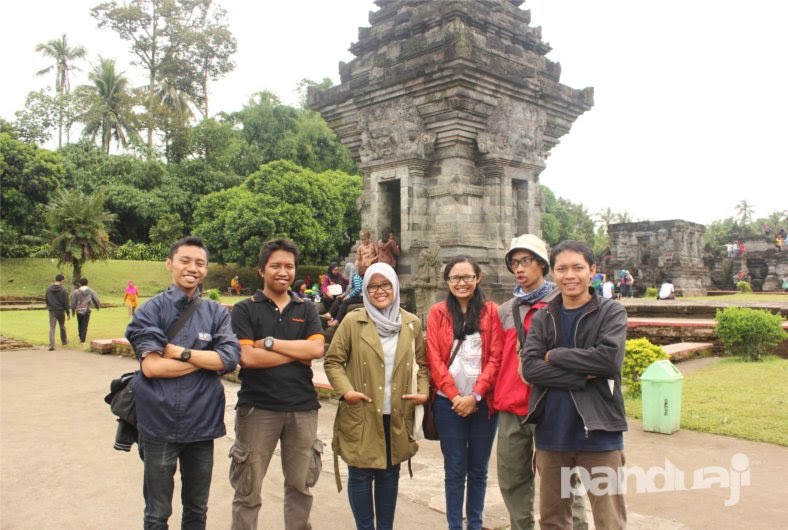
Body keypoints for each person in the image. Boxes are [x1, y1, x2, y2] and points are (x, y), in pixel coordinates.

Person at [125, 236, 241, 530]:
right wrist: (203, 361)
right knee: (157, 513)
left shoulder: (215, 313)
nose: (193, 268)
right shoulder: (151, 310)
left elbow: (228, 359)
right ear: (170, 264)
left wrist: (181, 353)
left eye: (200, 263)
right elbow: (151, 367)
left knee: (196, 510)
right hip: (158, 424)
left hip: (202, 426)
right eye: (185, 261)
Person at [522, 240, 628, 530]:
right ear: (553, 273)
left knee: (609, 520)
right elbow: (530, 368)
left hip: (600, 431)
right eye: (562, 268)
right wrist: (581, 376)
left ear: (592, 270)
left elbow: (608, 361)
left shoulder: (611, 312)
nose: (570, 275)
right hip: (552, 431)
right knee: (554, 520)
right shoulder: (544, 316)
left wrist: (555, 355)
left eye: (578, 267)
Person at [229, 238, 326, 530]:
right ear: (261, 270)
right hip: (258, 409)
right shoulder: (246, 309)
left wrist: (270, 344)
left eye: (289, 266)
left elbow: (317, 351)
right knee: (248, 489)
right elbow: (247, 358)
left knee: (300, 486)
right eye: (276, 266)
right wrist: (296, 353)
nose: (283, 271)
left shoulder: (306, 308)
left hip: (302, 408)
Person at [324, 262, 428, 530]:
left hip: (397, 411)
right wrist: (346, 391)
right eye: (372, 286)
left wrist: (424, 392)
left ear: (394, 285)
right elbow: (333, 361)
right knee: (360, 474)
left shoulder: (411, 323)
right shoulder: (353, 321)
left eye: (385, 285)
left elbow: (422, 365)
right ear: (366, 290)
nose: (379, 291)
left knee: (390, 474)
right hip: (362, 409)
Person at [494, 235, 587, 530]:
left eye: (526, 261)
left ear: (543, 265)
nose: (519, 269)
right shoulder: (506, 309)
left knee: (563, 482)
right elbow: (498, 357)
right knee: (512, 477)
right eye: (514, 263)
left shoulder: (563, 303)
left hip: (552, 403)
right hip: (512, 404)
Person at [426, 255, 502, 530]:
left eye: (467, 277)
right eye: (455, 278)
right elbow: (434, 357)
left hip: (483, 404)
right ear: (447, 281)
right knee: (455, 470)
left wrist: (476, 394)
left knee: (479, 470)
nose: (462, 283)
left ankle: (476, 524)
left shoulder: (492, 311)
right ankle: (454, 526)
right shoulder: (438, 313)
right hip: (449, 404)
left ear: (478, 278)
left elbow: (496, 356)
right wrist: (456, 396)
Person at [70, 277, 101, 344]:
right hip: (87, 310)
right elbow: (95, 299)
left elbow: (73, 302)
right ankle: (83, 339)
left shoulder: (76, 292)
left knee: (80, 324)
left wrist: (72, 311)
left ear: (79, 284)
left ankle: (81, 337)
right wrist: (97, 306)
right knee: (85, 324)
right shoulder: (90, 291)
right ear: (87, 283)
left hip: (78, 310)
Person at [45, 273, 70, 351]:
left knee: (52, 327)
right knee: (62, 326)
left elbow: (46, 299)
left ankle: (52, 345)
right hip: (60, 310)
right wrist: (68, 312)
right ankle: (64, 341)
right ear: (62, 281)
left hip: (52, 310)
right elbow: (66, 302)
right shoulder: (63, 290)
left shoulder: (48, 289)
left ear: (55, 279)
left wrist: (49, 307)